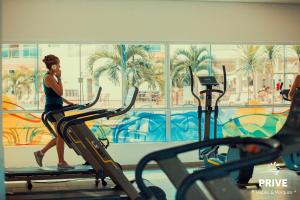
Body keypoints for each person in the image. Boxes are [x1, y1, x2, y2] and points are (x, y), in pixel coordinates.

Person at [34, 54, 74, 170]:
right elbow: (60, 92)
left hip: (57, 108)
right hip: (54, 110)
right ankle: (61, 162)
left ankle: (40, 153)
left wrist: (68, 102)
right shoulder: (49, 77)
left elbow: (56, 95)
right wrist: (60, 78)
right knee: (61, 135)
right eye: (58, 64)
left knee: (60, 135)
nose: (60, 66)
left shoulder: (51, 77)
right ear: (53, 66)